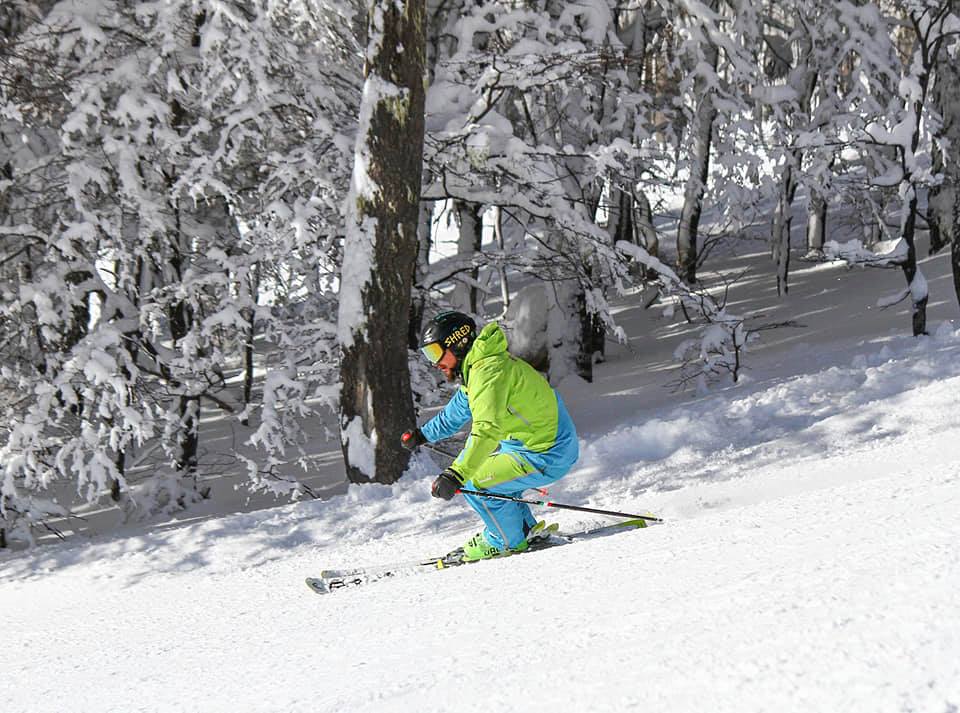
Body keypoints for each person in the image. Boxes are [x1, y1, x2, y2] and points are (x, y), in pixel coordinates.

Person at [401, 311, 579, 561]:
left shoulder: (488, 373)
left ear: (457, 344)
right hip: (535, 446)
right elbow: (457, 412)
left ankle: (505, 541)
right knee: (490, 476)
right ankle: (524, 530)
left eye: (435, 353)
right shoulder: (480, 368)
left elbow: (486, 430)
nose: (434, 363)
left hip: (546, 452)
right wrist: (423, 434)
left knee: (476, 482)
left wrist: (455, 475)